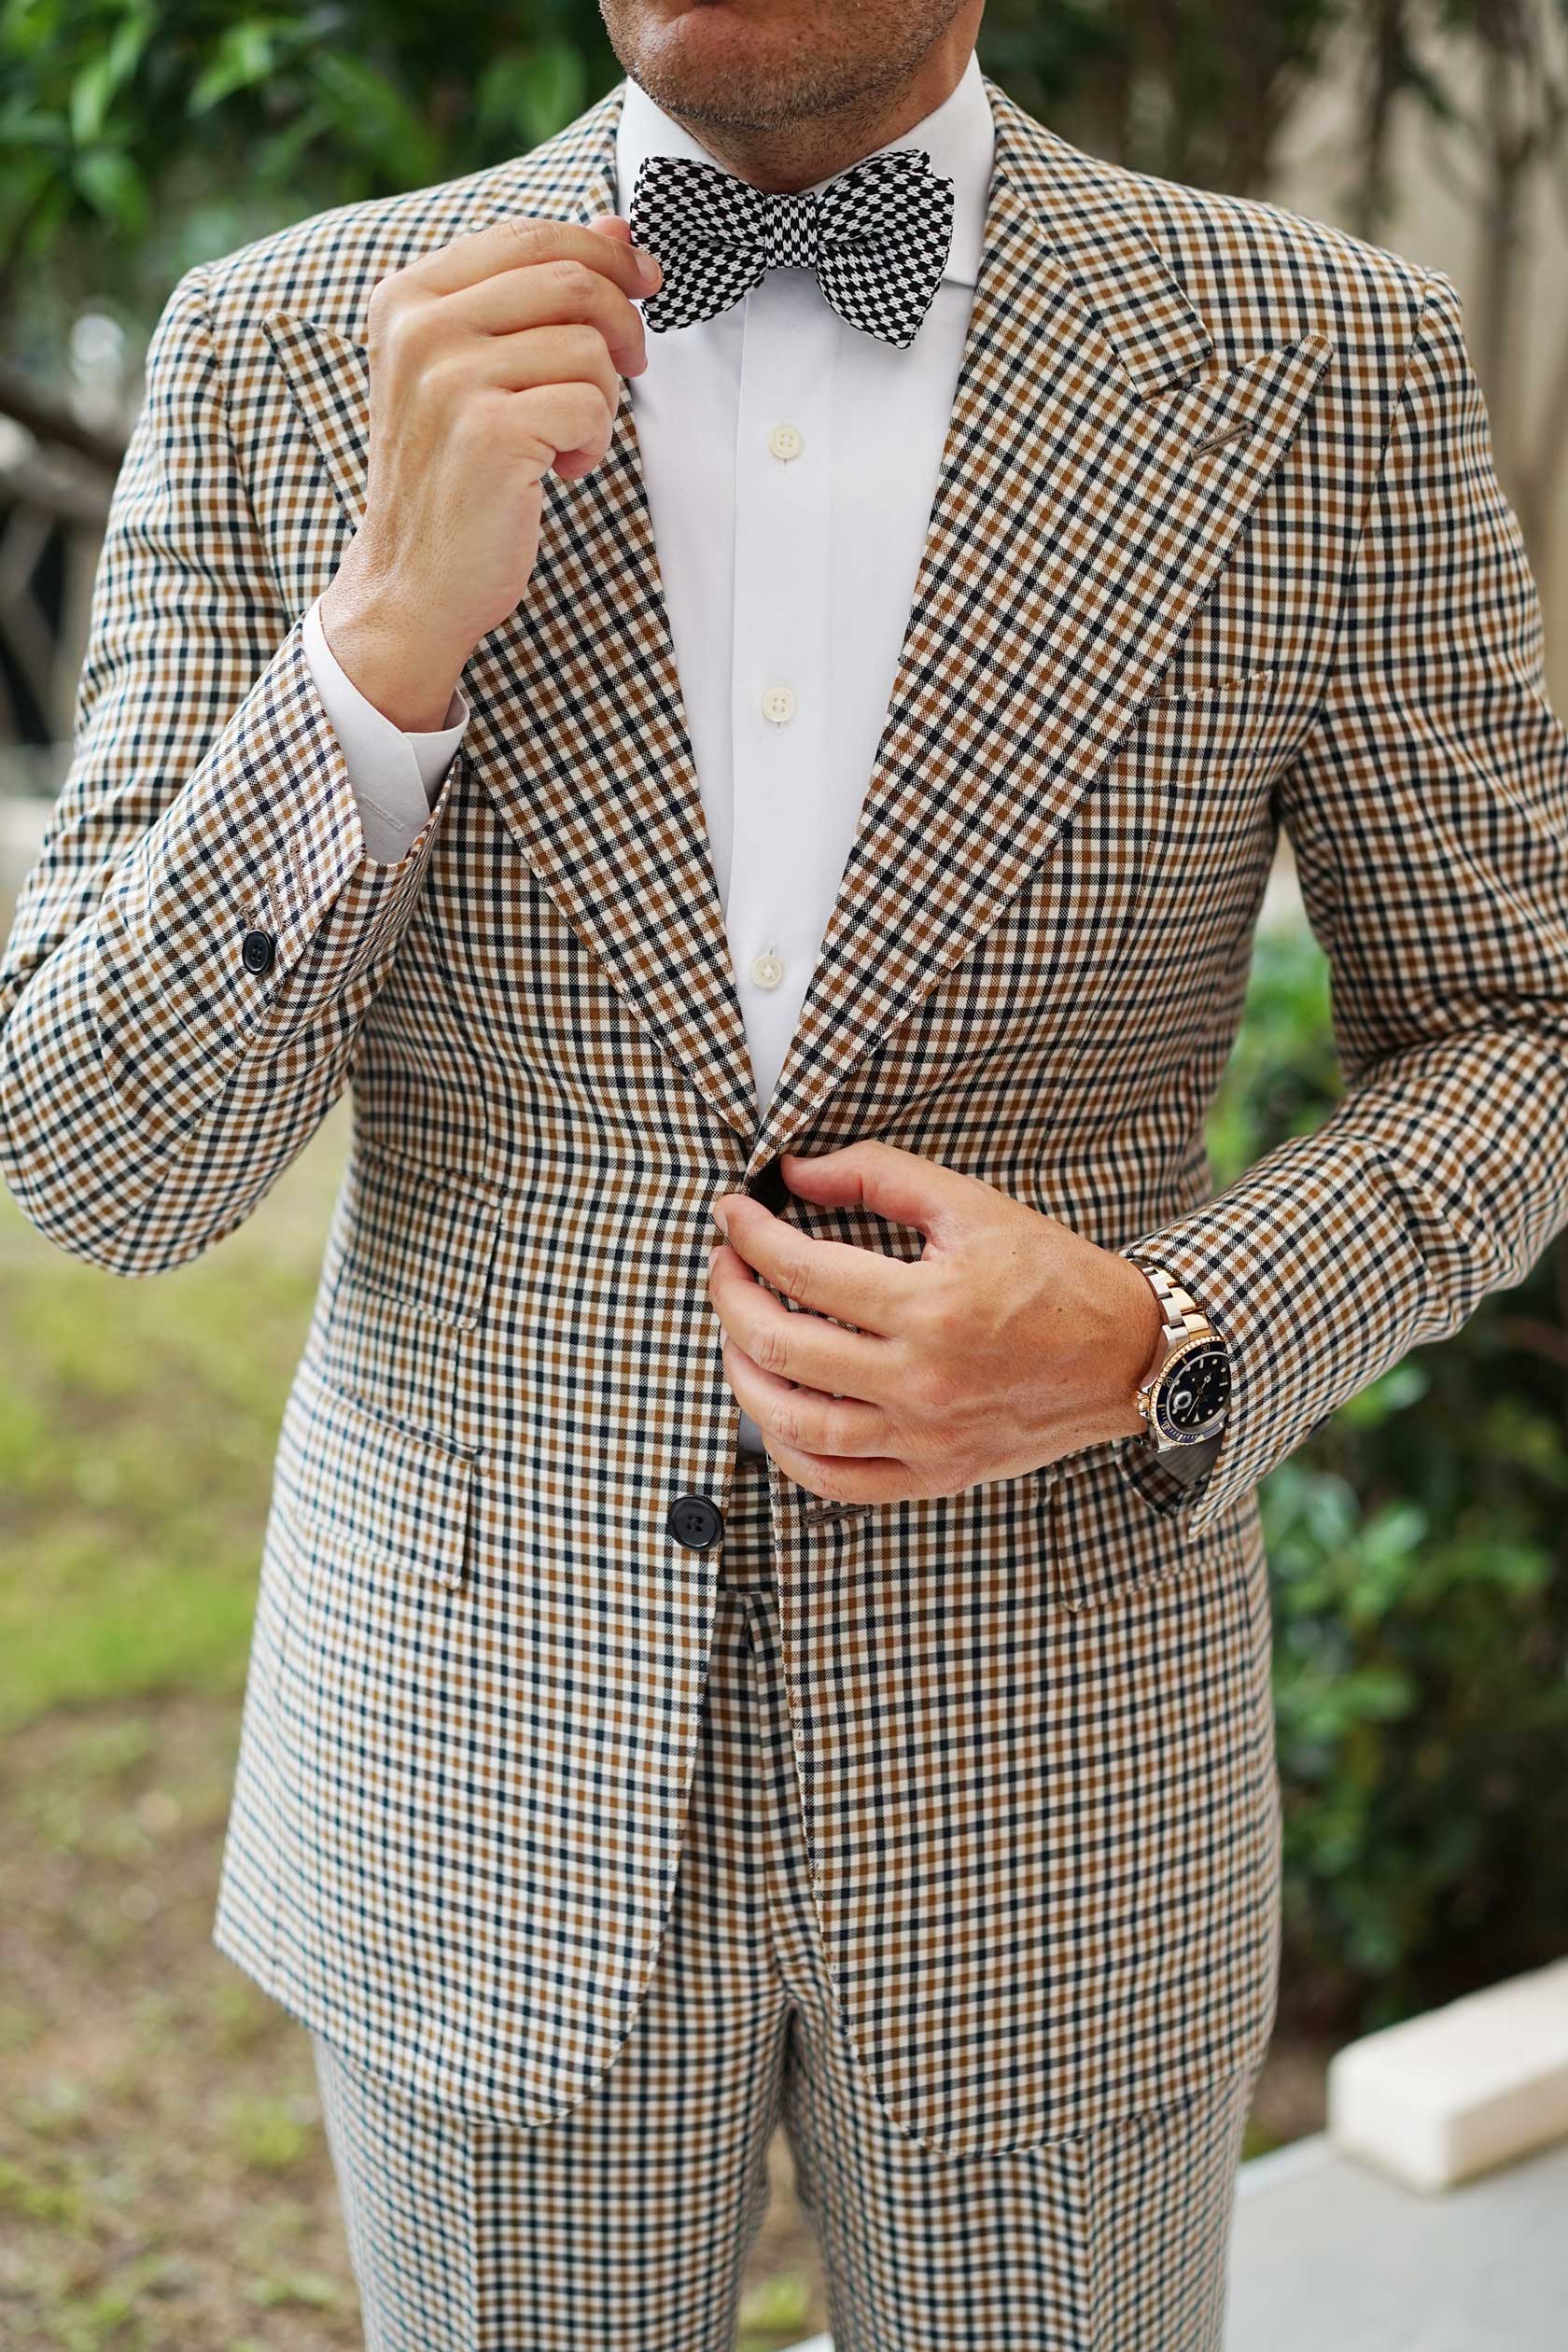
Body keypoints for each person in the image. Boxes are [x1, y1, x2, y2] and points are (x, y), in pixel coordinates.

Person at [3, 1, 1566, 2345]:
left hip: (1059, 1799)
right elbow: (101, 1165)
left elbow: (1517, 1029)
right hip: (476, 1764)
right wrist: (377, 648)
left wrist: (1168, 1327)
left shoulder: (1319, 358)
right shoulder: (289, 347)